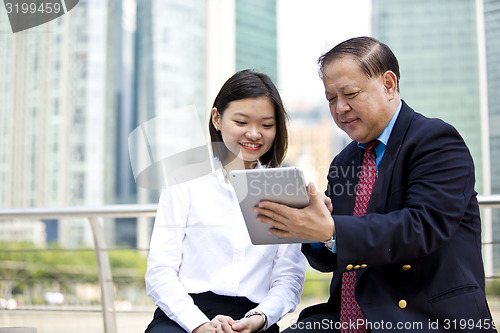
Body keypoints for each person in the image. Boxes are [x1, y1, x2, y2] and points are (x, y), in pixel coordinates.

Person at [255, 37, 496, 332]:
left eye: (350, 93)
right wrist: (314, 231)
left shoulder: (436, 141)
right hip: (346, 319)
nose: (340, 108)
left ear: (389, 84)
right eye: (331, 98)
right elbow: (335, 258)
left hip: (426, 317)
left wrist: (331, 230)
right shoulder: (344, 162)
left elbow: (421, 227)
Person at [145, 69, 307, 333]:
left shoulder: (283, 189)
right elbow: (160, 270)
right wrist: (198, 324)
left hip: (253, 318)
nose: (254, 134)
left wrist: (258, 318)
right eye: (241, 122)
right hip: (184, 316)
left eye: (267, 125)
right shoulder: (184, 181)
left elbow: (288, 279)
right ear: (217, 118)